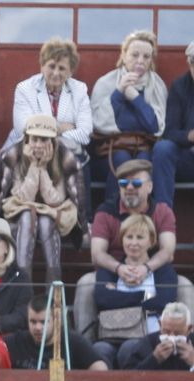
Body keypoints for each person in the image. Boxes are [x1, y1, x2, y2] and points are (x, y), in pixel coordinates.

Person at [0, 114, 85, 285]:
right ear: (27, 139)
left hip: (54, 215)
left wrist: (43, 169)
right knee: (28, 215)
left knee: (45, 221)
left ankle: (54, 287)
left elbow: (55, 200)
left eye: (44, 139)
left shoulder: (64, 157)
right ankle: (23, 284)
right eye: (35, 139)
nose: (39, 145)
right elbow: (20, 197)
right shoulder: (13, 155)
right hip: (17, 214)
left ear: (53, 141)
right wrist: (35, 166)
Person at [91, 30, 168, 208]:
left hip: (144, 147)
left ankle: (142, 217)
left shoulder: (156, 85)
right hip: (111, 149)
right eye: (134, 55)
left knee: (144, 166)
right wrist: (119, 92)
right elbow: (99, 122)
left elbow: (154, 125)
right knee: (123, 161)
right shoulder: (106, 83)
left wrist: (135, 98)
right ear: (124, 55)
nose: (140, 61)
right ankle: (112, 214)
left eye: (146, 57)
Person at [1, 38, 91, 169]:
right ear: (42, 66)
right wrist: (60, 128)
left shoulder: (79, 90)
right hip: (28, 152)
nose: (56, 73)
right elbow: (23, 130)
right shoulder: (25, 88)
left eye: (62, 68)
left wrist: (42, 129)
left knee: (77, 164)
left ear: (70, 71)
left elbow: (84, 134)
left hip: (67, 152)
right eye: (51, 66)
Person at [93, 211, 176, 344]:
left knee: (131, 347)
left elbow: (164, 302)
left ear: (151, 241)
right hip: (113, 336)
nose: (134, 243)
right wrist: (146, 295)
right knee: (100, 350)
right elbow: (103, 300)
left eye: (140, 237)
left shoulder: (163, 270)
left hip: (150, 338)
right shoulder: (109, 271)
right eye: (129, 237)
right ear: (122, 240)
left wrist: (118, 297)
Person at [7, 293, 105, 371]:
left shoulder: (72, 341)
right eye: (33, 322)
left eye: (43, 322)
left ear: (56, 321)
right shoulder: (16, 341)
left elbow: (101, 369)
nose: (38, 327)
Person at [154, 42, 194, 202]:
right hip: (188, 156)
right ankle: (163, 213)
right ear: (189, 63)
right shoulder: (180, 87)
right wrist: (189, 136)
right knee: (163, 148)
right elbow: (169, 132)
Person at [117, 301, 194, 370]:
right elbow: (129, 377)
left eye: (178, 333)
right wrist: (154, 359)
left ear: (189, 329)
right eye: (166, 331)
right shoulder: (148, 342)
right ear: (160, 325)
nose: (171, 336)